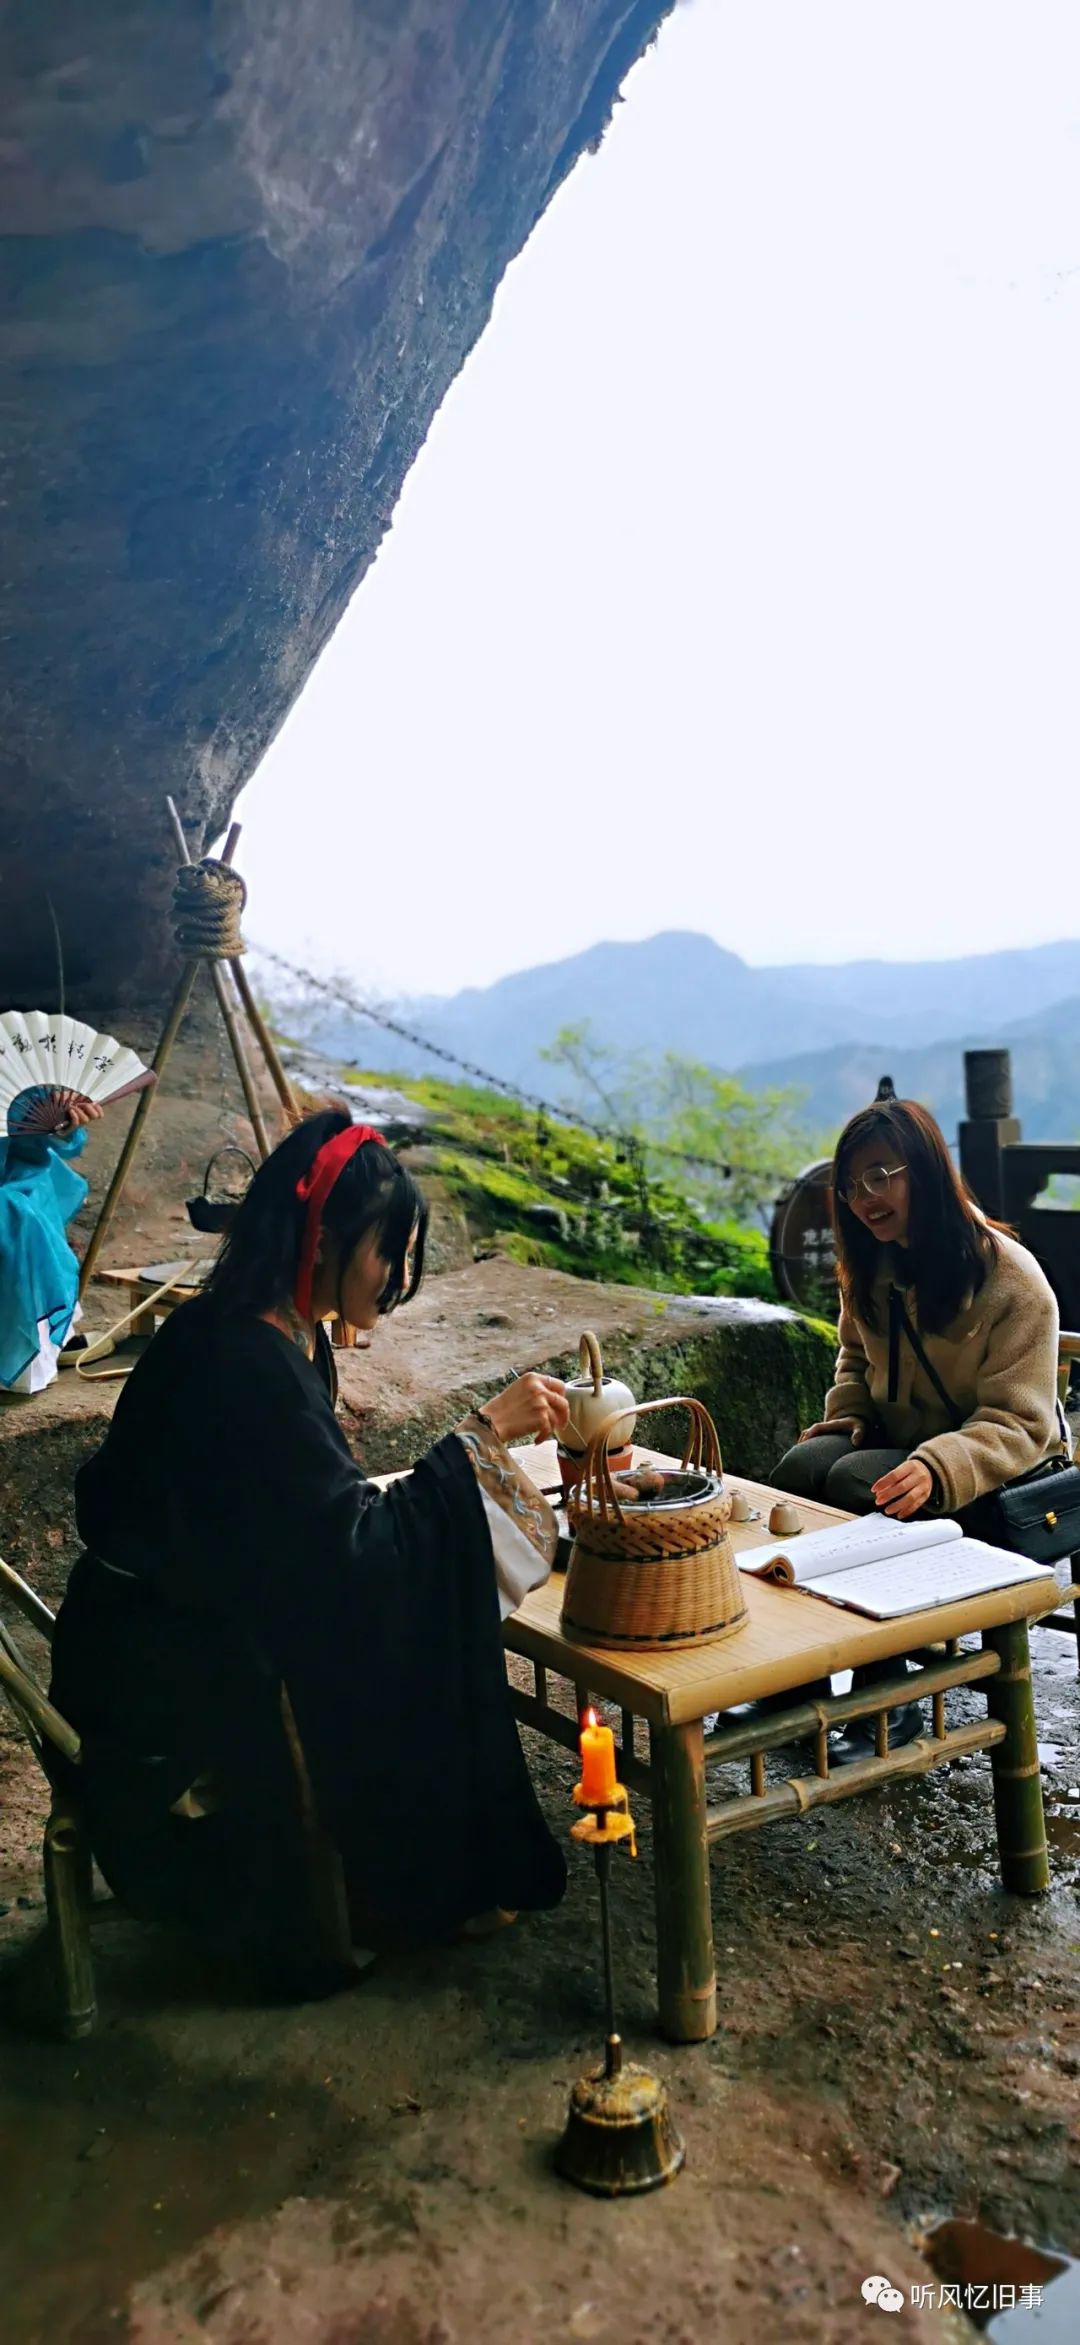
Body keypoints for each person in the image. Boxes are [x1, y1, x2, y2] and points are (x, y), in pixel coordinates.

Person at [50, 1110, 572, 1989]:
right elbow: (347, 1556)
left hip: (172, 1626)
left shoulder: (263, 1329)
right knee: (405, 1623)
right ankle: (412, 1879)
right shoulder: (243, 1360)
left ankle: (420, 1863)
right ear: (322, 1237)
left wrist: (440, 1484)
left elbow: (305, 1526)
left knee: (412, 1585)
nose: (399, 1278)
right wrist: (481, 1437)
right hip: (162, 1683)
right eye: (387, 1254)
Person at [771, 1095, 1063, 1754]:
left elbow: (1022, 1422)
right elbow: (855, 1353)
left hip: (991, 1472)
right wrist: (845, 1414)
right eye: (851, 1185)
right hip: (901, 1447)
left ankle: (889, 1705)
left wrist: (939, 1466)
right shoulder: (873, 1266)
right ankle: (795, 1691)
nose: (864, 1196)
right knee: (796, 1476)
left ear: (925, 1170)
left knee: (855, 1485)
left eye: (882, 1174)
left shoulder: (1012, 1281)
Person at [0, 1095, 102, 1397]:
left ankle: (41, 1341)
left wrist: (60, 1126)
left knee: (19, 1211)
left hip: (13, 1185)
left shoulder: (8, 1064)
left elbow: (29, 1142)